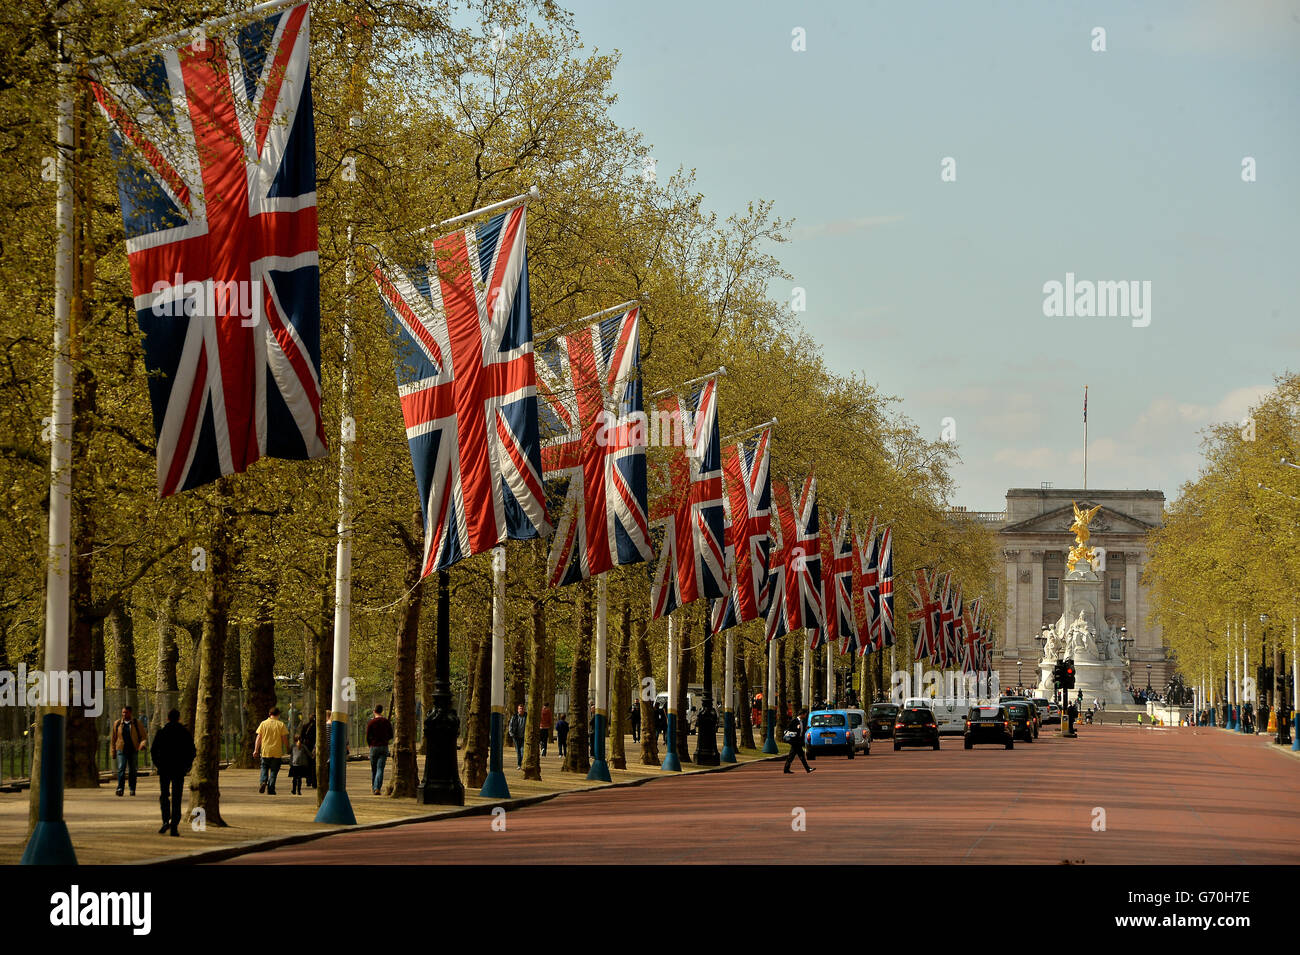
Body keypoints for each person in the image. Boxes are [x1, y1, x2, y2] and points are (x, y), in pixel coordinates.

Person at [149, 709, 194, 836]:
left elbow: (153, 750)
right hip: (179, 768)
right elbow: (192, 750)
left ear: (168, 718)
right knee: (176, 797)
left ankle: (165, 820)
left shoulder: (162, 732)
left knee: (164, 795)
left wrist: (158, 764)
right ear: (179, 718)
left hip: (164, 768)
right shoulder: (184, 733)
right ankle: (174, 824)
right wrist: (187, 766)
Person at [110, 705, 147, 797]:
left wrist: (142, 744)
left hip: (133, 749)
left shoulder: (136, 723)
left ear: (130, 713)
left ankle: (132, 789)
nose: (124, 714)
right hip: (121, 750)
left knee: (133, 770)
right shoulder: (117, 723)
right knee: (121, 769)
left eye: (126, 712)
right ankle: (120, 788)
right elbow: (113, 739)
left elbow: (143, 736)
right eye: (123, 712)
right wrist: (113, 751)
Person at [253, 705, 290, 795]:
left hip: (265, 751)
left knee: (264, 768)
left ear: (269, 714)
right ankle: (271, 789)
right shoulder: (281, 724)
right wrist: (288, 748)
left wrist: (256, 750)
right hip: (277, 752)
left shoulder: (263, 723)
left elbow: (259, 737)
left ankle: (263, 781)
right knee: (274, 771)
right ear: (278, 715)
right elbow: (284, 738)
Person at [365, 704, 394, 795]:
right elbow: (391, 735)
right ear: (381, 711)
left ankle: (374, 787)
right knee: (380, 768)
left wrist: (370, 745)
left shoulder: (371, 723)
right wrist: (385, 740)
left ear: (374, 711)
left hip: (374, 747)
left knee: (374, 769)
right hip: (384, 746)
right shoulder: (386, 721)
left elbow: (367, 736)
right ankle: (377, 787)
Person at [783, 709, 814, 774]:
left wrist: (806, 729)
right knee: (801, 756)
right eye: (805, 714)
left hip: (798, 741)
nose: (805, 715)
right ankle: (807, 768)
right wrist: (796, 728)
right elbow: (788, 729)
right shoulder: (794, 721)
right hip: (794, 741)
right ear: (802, 714)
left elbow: (801, 731)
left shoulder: (802, 721)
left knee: (792, 756)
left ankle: (786, 769)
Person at [299, 713, 317, 787]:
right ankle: (314, 781)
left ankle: (308, 780)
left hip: (306, 746)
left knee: (307, 763)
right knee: (314, 764)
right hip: (314, 745)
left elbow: (301, 737)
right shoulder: (317, 727)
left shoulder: (305, 726)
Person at [509, 703, 527, 768]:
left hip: (523, 737)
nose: (521, 710)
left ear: (524, 709)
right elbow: (511, 725)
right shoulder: (514, 717)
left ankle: (521, 763)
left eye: (522, 709)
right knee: (518, 751)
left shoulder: (527, 716)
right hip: (516, 737)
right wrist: (511, 733)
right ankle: (519, 764)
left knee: (522, 750)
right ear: (518, 709)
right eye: (520, 709)